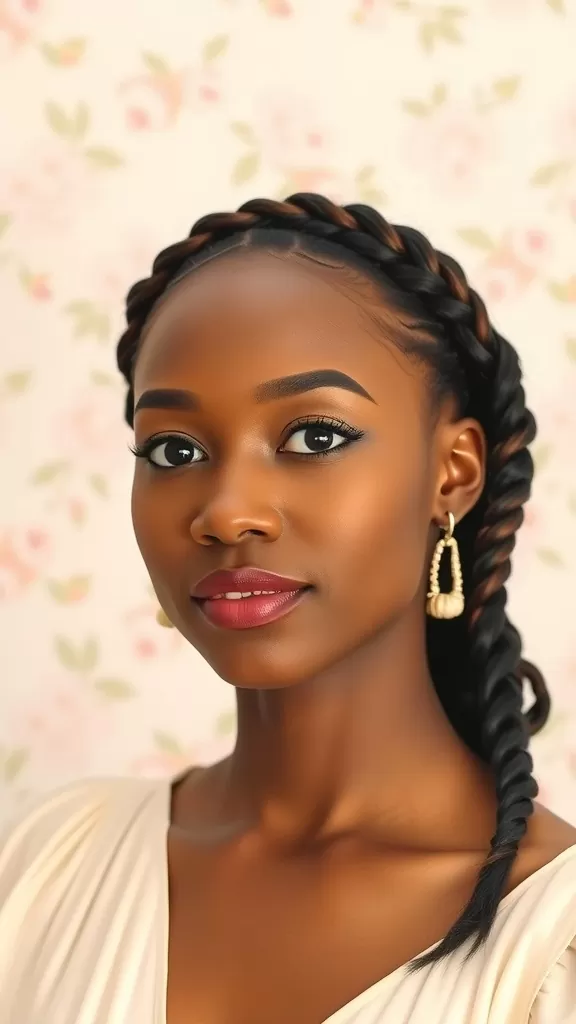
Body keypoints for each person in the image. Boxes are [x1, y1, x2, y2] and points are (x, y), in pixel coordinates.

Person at [1, 193, 575, 1024]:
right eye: (174, 449)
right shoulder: (48, 867)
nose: (227, 512)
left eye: (314, 437)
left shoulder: (553, 948)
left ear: (453, 473)